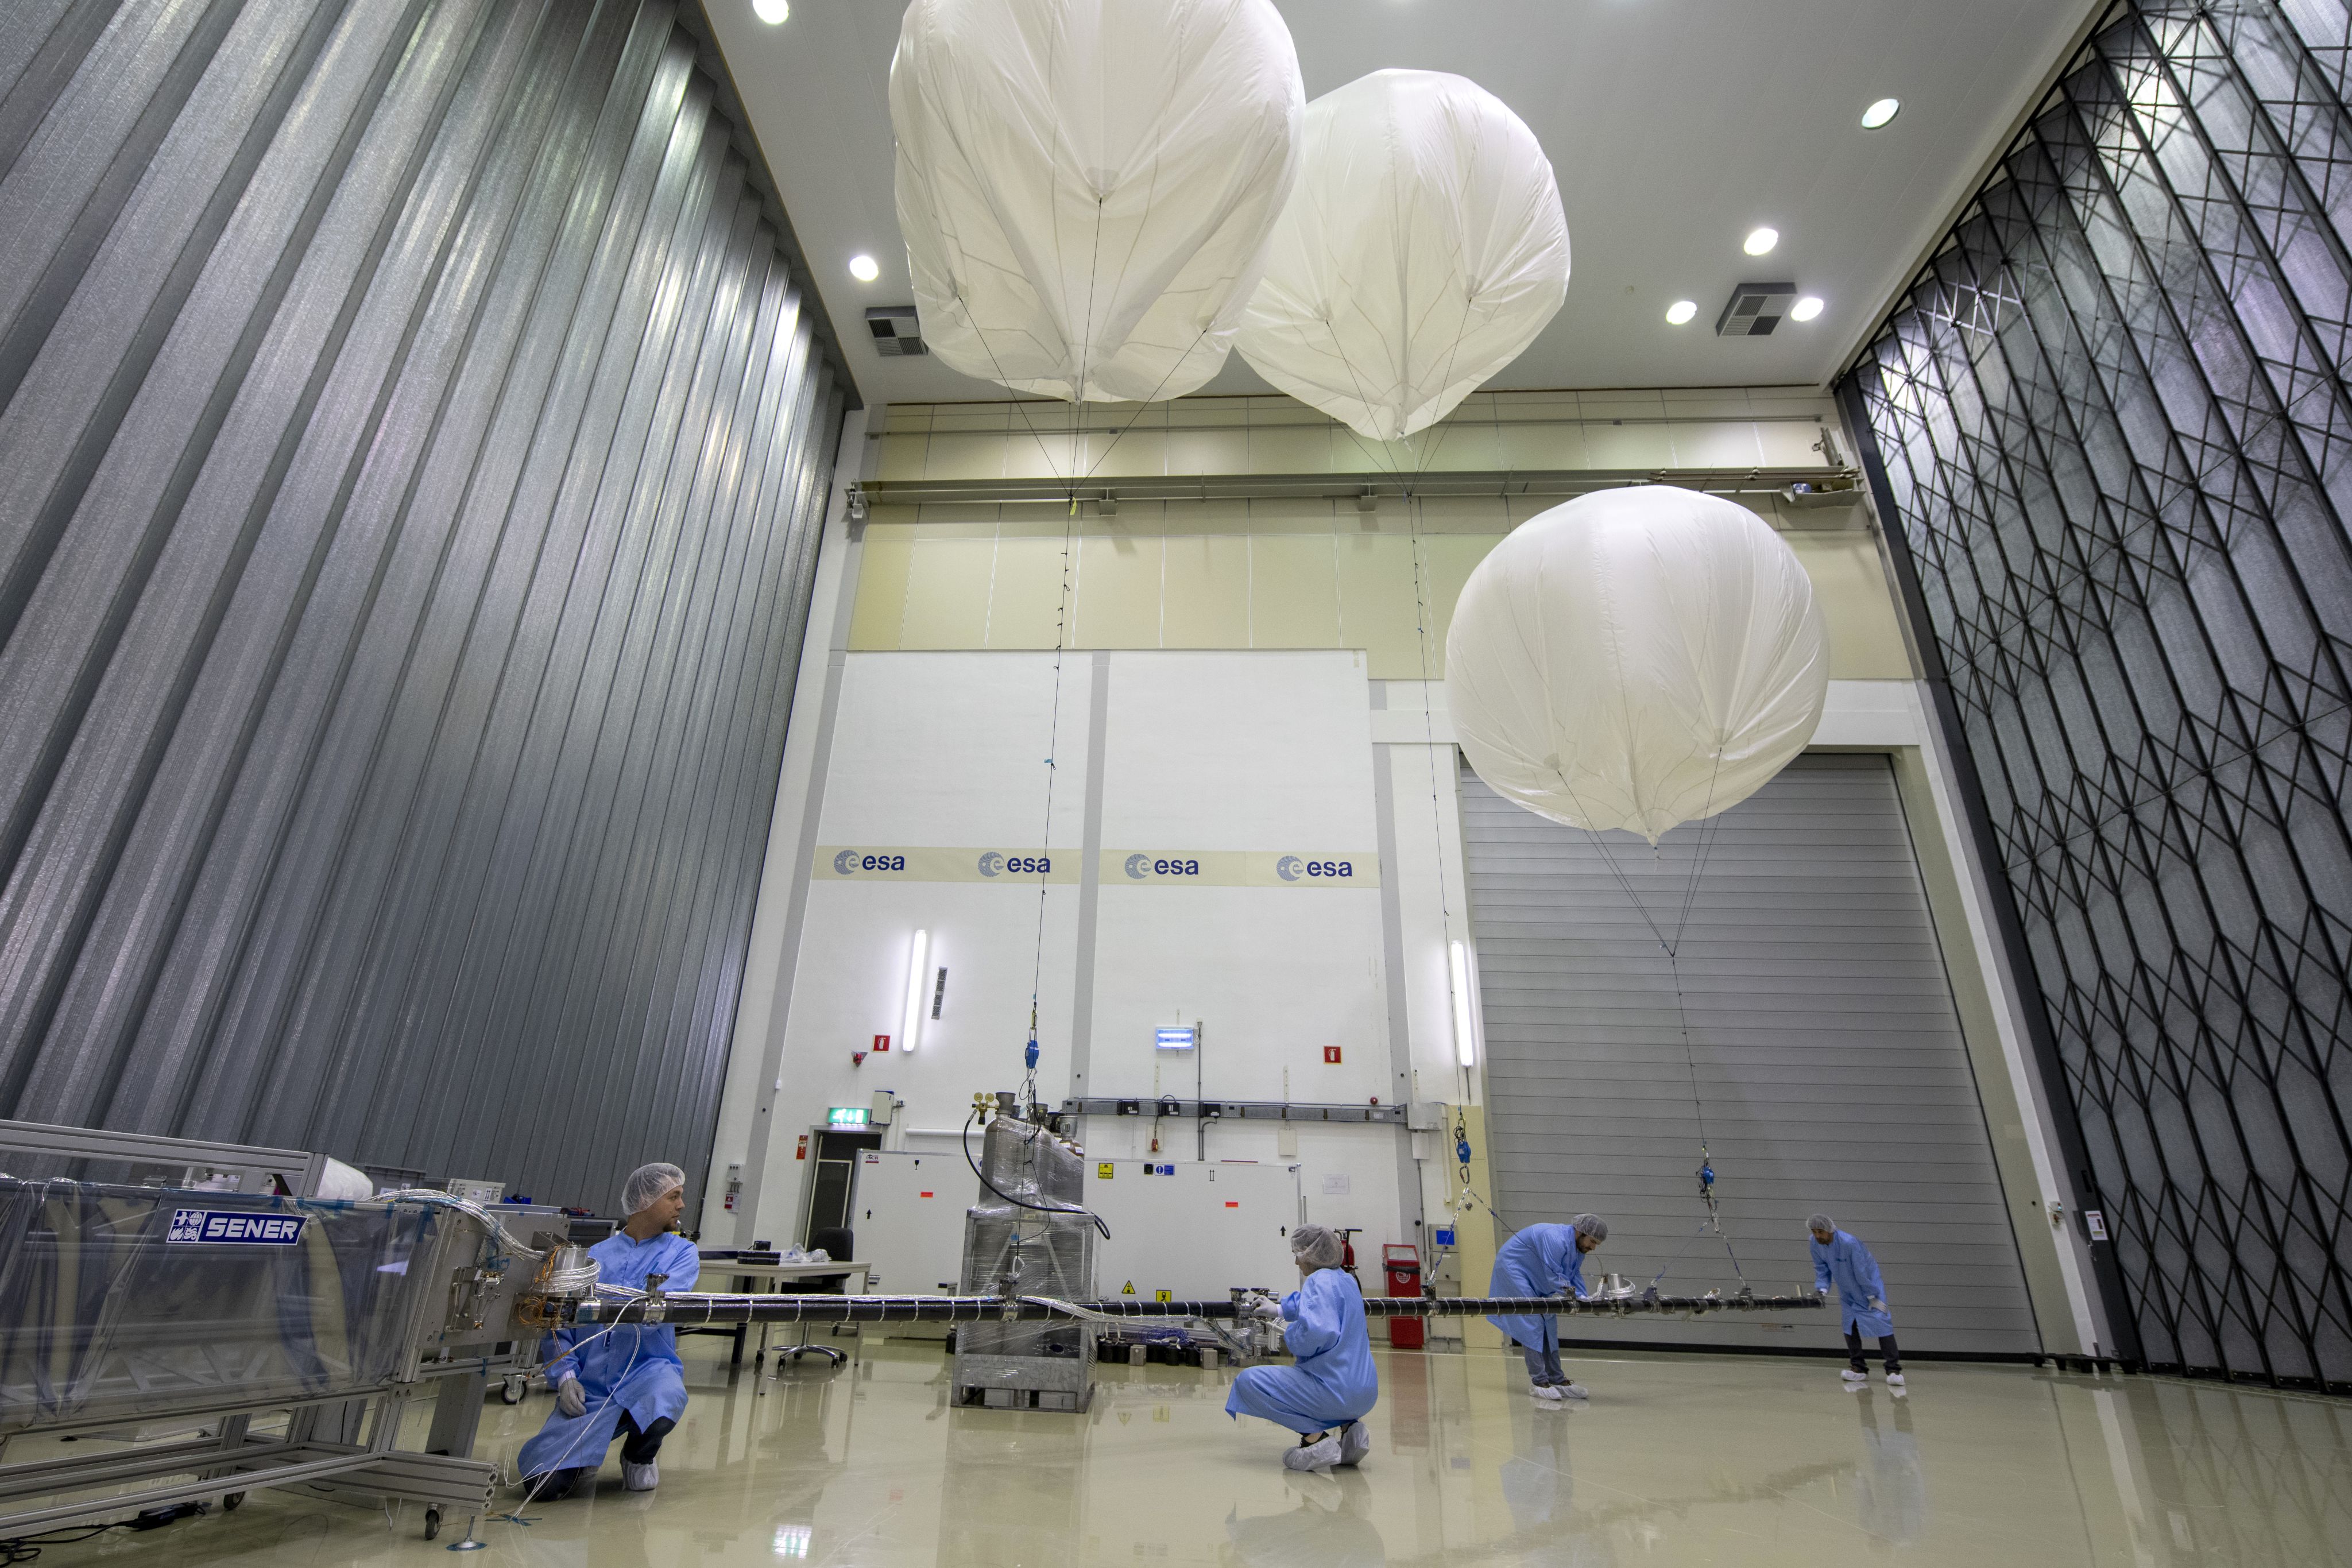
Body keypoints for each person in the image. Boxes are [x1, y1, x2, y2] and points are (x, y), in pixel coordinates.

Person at [517, 1163, 701, 1498]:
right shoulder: (594, 1258)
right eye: (673, 1197)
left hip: (648, 1370)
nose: (681, 1205)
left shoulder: (682, 1253)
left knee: (665, 1399)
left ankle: (638, 1456)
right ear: (646, 1201)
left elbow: (661, 1305)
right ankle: (584, 1456)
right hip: (592, 1381)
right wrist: (566, 1376)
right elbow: (560, 1321)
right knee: (542, 1487)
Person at [1225, 1224, 1378, 1471]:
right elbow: (1316, 1303)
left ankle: (1315, 1440)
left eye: (1298, 1255)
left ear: (1311, 1254)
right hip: (1364, 1394)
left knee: (1248, 1382)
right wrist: (1278, 1309)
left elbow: (1317, 1332)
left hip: (1334, 1392)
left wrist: (1292, 1335)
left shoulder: (1317, 1280)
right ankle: (1353, 1433)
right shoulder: (1346, 1280)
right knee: (1330, 1379)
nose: (1297, 1262)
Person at [1487, 1213, 1606, 1401]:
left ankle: (1557, 1380)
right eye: (1592, 1242)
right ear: (1580, 1232)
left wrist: (1586, 1298)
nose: (1593, 1247)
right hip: (1513, 1269)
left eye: (1596, 1244)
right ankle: (1539, 1382)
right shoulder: (1555, 1239)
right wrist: (1574, 1296)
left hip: (1535, 1276)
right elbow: (1554, 1274)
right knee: (1532, 1319)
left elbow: (1573, 1274)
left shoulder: (1577, 1248)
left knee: (1549, 1320)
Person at [1810, 1213, 1903, 1388]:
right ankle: (1859, 1368)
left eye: (1820, 1232)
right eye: (1814, 1232)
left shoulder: (1849, 1243)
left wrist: (1872, 1296)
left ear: (1830, 1230)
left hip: (1869, 1287)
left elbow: (1862, 1271)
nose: (1817, 1236)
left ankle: (1893, 1369)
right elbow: (1821, 1268)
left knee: (1882, 1324)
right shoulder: (1815, 1243)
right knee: (1849, 1325)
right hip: (1847, 1291)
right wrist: (1822, 1289)